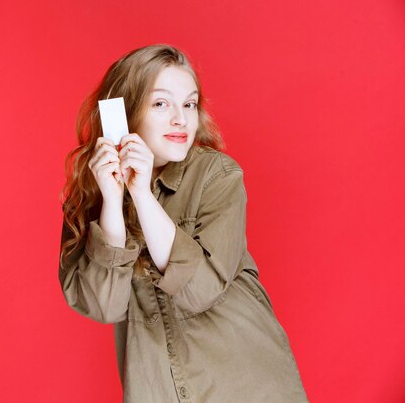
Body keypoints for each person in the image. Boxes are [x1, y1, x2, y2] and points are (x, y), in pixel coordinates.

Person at [58, 44, 309, 403]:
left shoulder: (217, 176)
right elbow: (103, 305)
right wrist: (113, 202)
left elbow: (201, 289)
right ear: (126, 111)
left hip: (248, 386)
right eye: (161, 103)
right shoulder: (91, 194)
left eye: (189, 104)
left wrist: (142, 195)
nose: (181, 119)